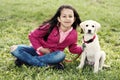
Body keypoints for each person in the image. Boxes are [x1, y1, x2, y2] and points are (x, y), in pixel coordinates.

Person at [10, 5, 83, 69]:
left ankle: (26, 60)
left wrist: (84, 48)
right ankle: (48, 65)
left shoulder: (73, 34)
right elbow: (33, 36)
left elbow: (73, 48)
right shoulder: (49, 26)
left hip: (52, 56)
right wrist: (41, 49)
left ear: (74, 19)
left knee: (61, 55)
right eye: (64, 16)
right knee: (15, 49)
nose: (67, 18)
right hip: (36, 51)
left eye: (70, 16)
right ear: (59, 19)